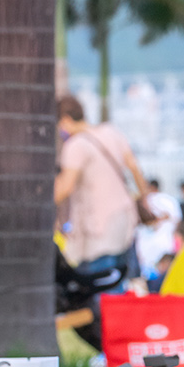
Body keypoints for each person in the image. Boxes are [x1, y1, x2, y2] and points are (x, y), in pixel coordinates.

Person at [54, 95, 140, 281]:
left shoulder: (75, 146)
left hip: (98, 231)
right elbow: (133, 167)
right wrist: (145, 199)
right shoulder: (111, 132)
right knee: (121, 284)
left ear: (66, 120)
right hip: (125, 222)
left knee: (100, 285)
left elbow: (65, 188)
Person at [134, 177, 182, 281]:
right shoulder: (169, 199)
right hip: (165, 243)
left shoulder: (143, 200)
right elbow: (177, 220)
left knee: (146, 274)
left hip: (145, 245)